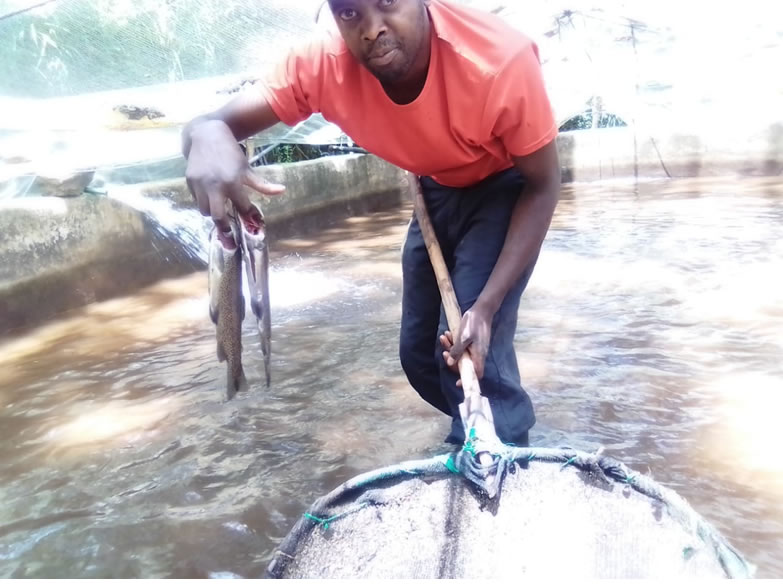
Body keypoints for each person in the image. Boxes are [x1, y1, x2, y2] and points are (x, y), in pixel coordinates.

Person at [182, 0, 561, 447]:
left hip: (505, 184)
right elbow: (209, 126)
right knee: (421, 357)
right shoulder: (321, 64)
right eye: (348, 13)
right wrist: (206, 134)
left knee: (469, 351)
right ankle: (485, 426)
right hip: (434, 185)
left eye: (387, 2)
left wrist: (487, 307)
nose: (370, 29)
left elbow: (544, 185)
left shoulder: (499, 60)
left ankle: (494, 452)